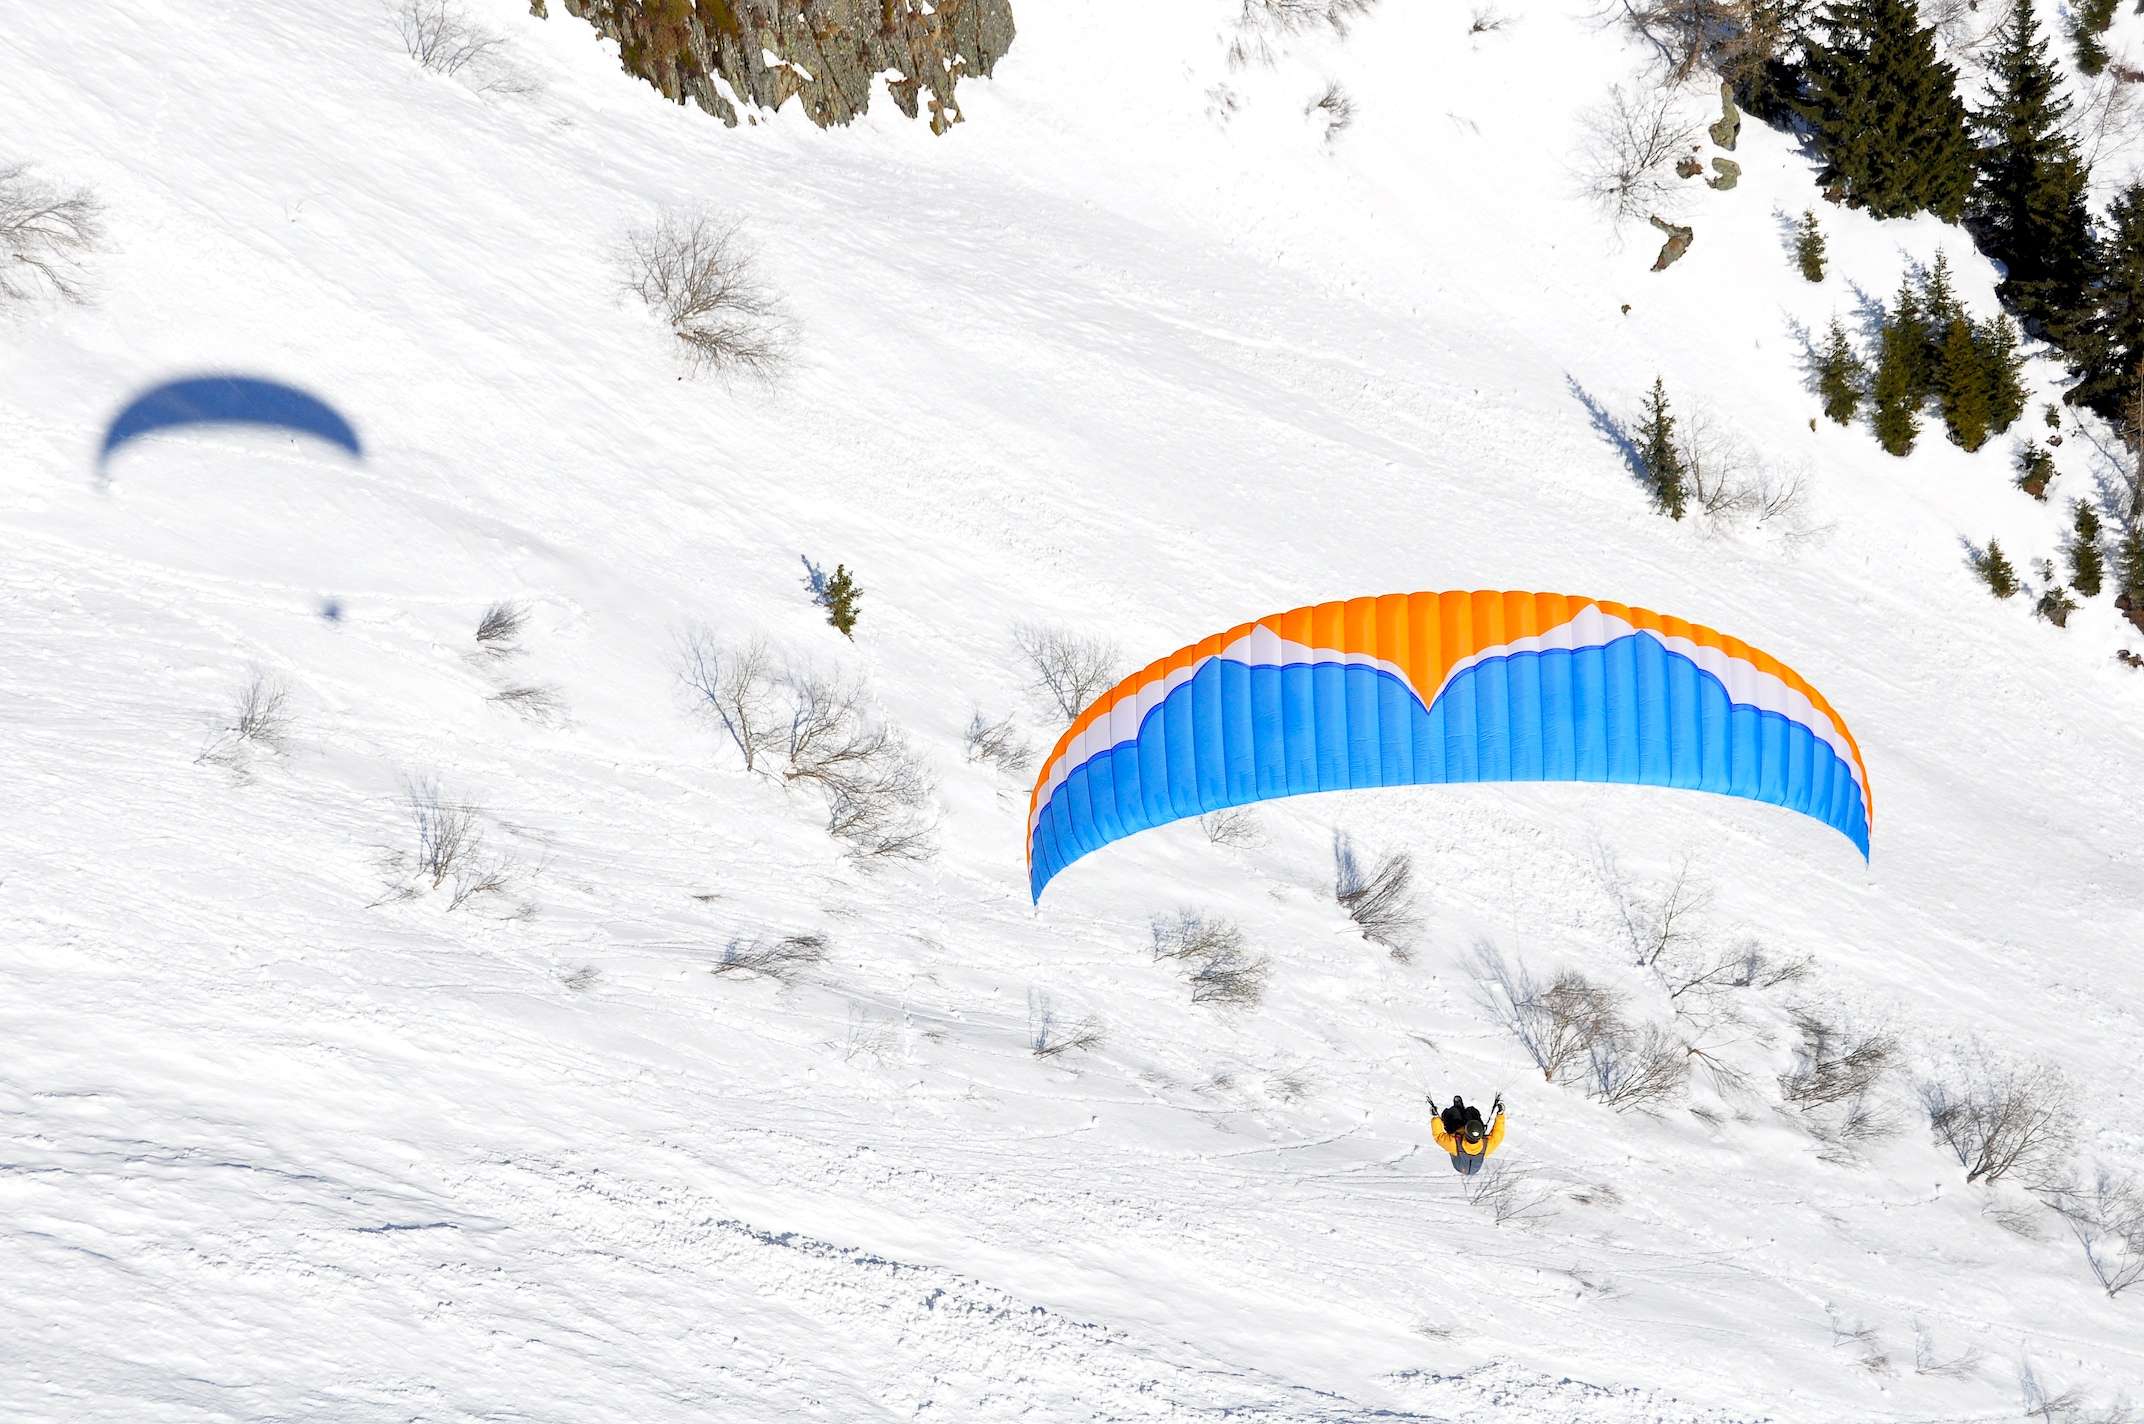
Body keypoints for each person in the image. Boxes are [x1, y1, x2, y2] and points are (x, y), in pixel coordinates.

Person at [1431, 1093, 1505, 1175]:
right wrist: (1500, 1114)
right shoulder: (1486, 1146)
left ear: (1465, 1132)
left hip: (1459, 1160)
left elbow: (1438, 1136)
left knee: (1453, 1114)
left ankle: (1458, 1109)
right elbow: (1498, 1134)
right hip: (1470, 1136)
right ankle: (1464, 1112)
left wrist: (1435, 1117)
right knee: (1471, 1111)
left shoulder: (1453, 1145)